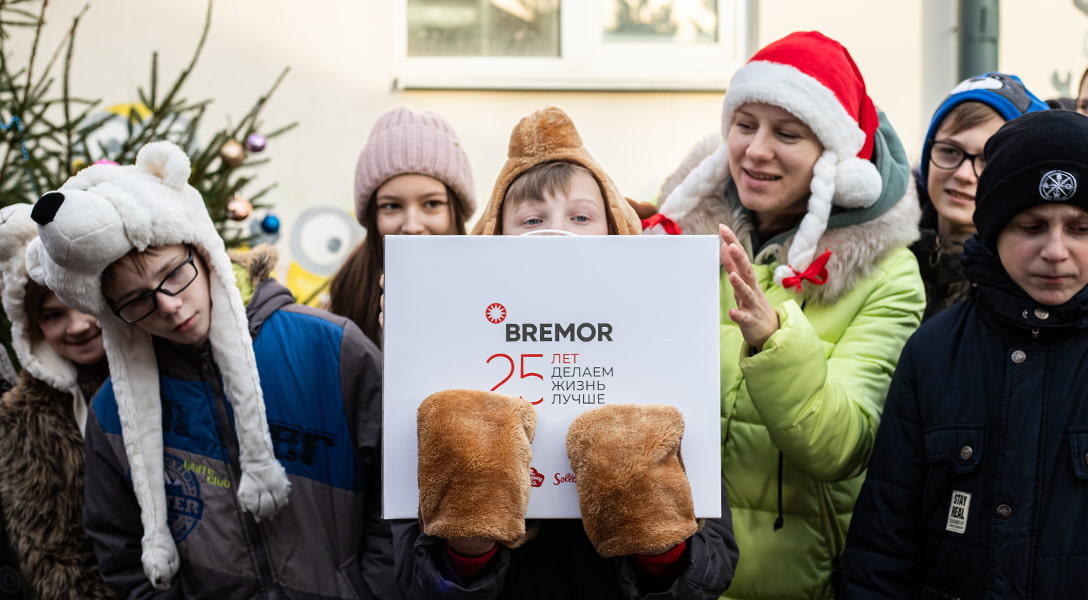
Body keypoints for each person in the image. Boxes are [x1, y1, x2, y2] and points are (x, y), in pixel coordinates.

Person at [391, 105, 739, 599]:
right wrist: (469, 542)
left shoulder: (665, 358)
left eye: (580, 217)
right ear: (494, 240)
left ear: (615, 232)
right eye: (532, 219)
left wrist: (655, 536)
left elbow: (712, 566)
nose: (556, 234)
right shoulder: (444, 361)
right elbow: (411, 574)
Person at [26, 140, 396, 598]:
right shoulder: (114, 413)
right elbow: (120, 548)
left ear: (202, 253)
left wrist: (372, 589)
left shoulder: (331, 348)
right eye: (138, 300)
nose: (169, 305)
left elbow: (395, 489)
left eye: (173, 274)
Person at [651, 31, 925, 599]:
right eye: (744, 124)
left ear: (837, 161)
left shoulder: (887, 274)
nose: (756, 150)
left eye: (787, 133)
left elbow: (843, 447)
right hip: (668, 569)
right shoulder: (674, 239)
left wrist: (773, 344)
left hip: (798, 579)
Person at [840, 108, 1088, 598]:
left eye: (1080, 228)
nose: (1056, 250)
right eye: (1032, 226)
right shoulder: (933, 352)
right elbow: (884, 544)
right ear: (993, 230)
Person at [0, 203, 106, 599]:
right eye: (52, 315)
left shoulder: (173, 372)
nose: (77, 326)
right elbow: (50, 551)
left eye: (81, 302)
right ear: (33, 326)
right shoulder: (23, 417)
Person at [326, 105, 476, 347]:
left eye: (432, 203)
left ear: (456, 209)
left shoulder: (488, 281)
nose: (412, 226)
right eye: (391, 206)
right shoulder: (350, 288)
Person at [911, 72, 1048, 321]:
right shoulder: (881, 253)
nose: (963, 174)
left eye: (988, 159)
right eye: (949, 151)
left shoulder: (1036, 282)